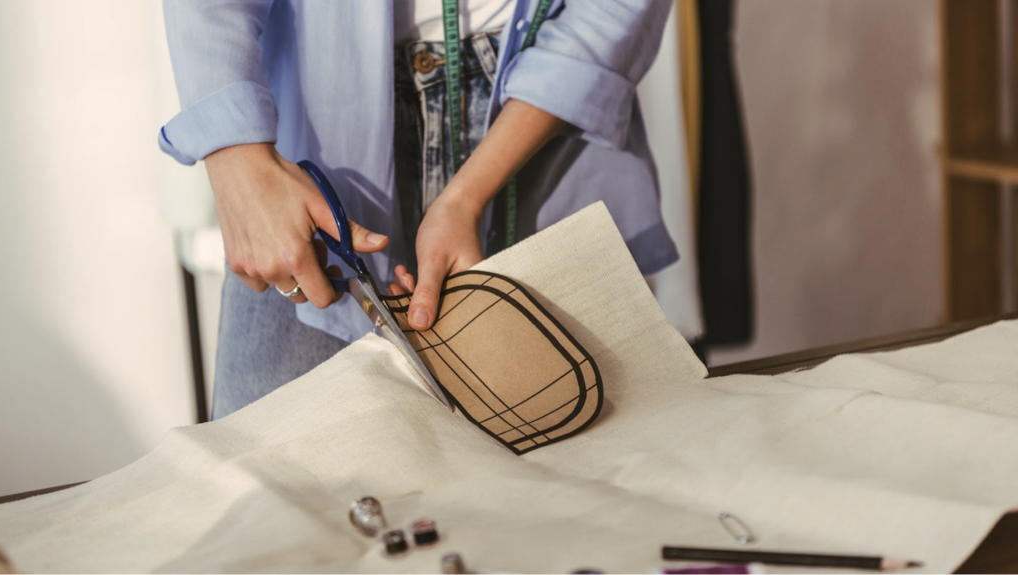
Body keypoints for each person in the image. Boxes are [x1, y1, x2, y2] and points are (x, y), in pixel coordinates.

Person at [159, 0, 679, 419]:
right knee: (271, 506)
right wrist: (238, 164)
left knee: (597, 484)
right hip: (314, 175)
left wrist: (466, 196)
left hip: (547, 141)